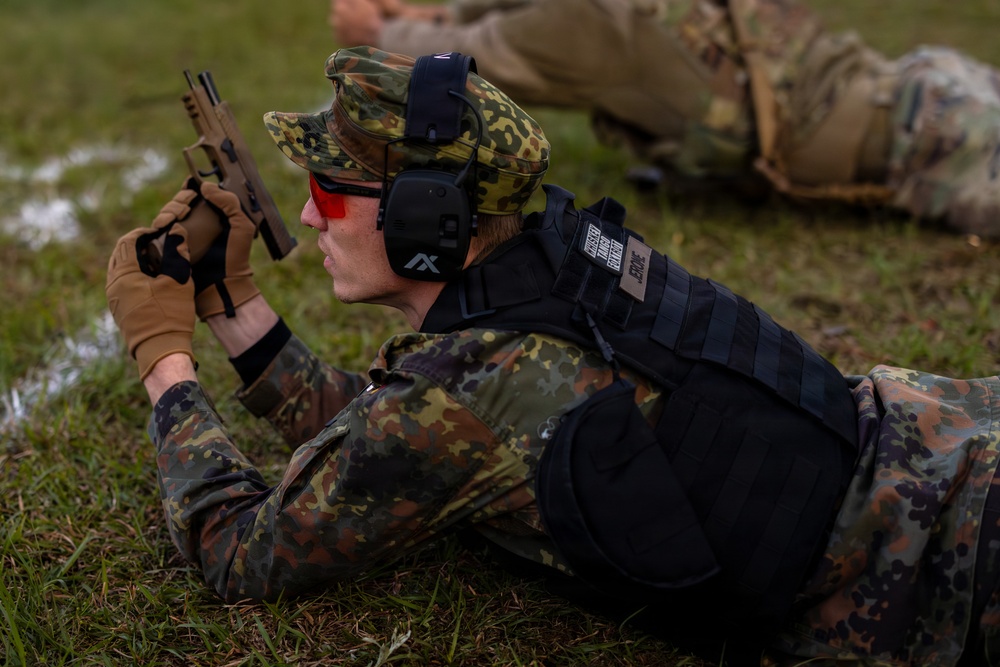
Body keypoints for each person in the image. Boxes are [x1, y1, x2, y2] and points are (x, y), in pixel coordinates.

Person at [105, 46, 1000, 666]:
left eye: (328, 192)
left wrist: (162, 356)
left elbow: (241, 554)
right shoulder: (559, 255)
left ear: (425, 222)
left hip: (938, 568)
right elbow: (394, 443)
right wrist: (234, 303)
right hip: (940, 432)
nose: (305, 216)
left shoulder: (467, 390)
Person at [329, 0, 1000, 238]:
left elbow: (467, 57)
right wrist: (430, 13)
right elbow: (503, 15)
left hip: (933, 139)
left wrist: (383, 26)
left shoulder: (587, 21)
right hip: (923, 85)